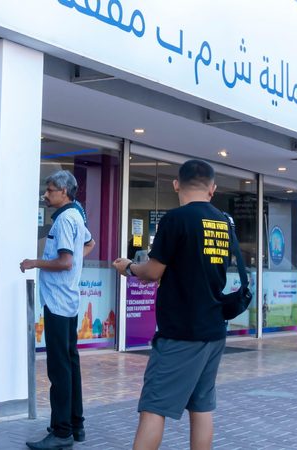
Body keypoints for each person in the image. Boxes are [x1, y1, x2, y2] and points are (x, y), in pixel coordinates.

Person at [113, 159, 230, 450]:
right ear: (212, 189)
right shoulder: (225, 223)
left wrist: (129, 267)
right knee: (202, 407)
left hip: (181, 332)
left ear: (176, 184)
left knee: (154, 406)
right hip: (214, 330)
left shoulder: (176, 219)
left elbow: (153, 272)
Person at [20, 170, 96, 450]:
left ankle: (61, 431)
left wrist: (34, 262)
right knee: (70, 363)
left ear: (64, 192)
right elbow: (89, 243)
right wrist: (73, 264)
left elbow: (64, 262)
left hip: (58, 302)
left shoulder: (65, 219)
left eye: (50, 190)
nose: (46, 194)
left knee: (59, 369)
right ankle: (76, 424)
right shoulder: (76, 215)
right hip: (69, 301)